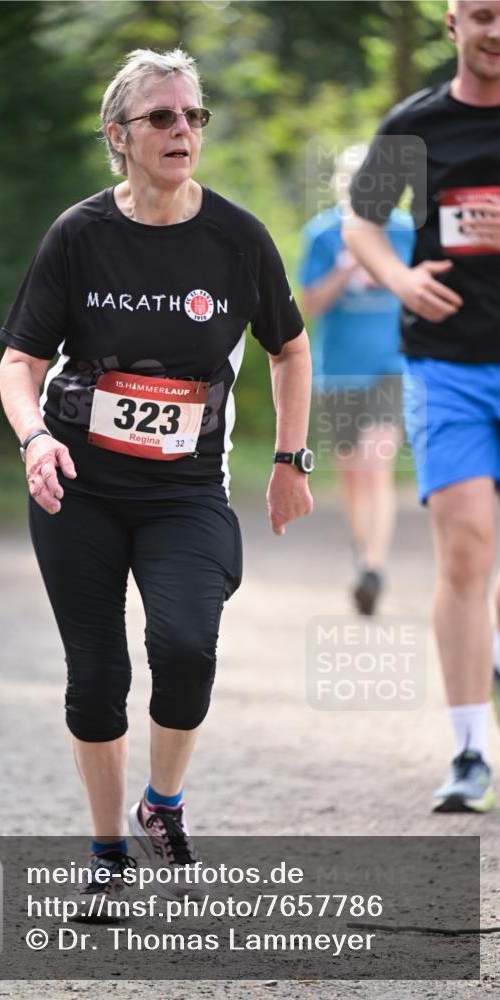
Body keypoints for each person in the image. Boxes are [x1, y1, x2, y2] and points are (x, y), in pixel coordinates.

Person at [0, 48, 313, 913]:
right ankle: (105, 855)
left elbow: (288, 349)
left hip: (183, 492)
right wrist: (33, 440)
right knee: (94, 675)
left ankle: (160, 803)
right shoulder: (80, 234)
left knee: (184, 647)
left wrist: (289, 459)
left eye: (193, 117)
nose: (182, 131)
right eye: (163, 118)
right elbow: (20, 360)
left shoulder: (236, 238)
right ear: (119, 136)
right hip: (80, 487)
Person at [344, 0, 500, 813]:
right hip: (447, 365)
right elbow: (361, 222)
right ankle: (470, 749)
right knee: (467, 550)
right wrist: (401, 278)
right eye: (479, 15)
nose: (494, 30)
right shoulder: (415, 123)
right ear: (452, 25)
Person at [299, 144, 415, 614]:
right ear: (340, 186)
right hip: (338, 371)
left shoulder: (407, 231)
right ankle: (361, 544)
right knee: (351, 474)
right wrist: (349, 264)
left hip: (391, 367)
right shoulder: (323, 235)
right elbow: (309, 305)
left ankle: (373, 568)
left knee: (375, 463)